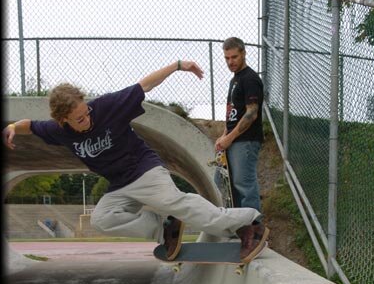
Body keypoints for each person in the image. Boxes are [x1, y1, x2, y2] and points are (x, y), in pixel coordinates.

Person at [3, 60, 269, 262]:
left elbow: (145, 85)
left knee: (176, 202)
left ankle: (247, 222)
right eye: (80, 119)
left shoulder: (107, 107)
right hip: (119, 185)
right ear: (64, 121)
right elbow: (32, 126)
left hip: (145, 171)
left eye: (86, 111)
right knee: (102, 219)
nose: (87, 119)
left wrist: (177, 66)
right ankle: (163, 227)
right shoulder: (58, 131)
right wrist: (15, 126)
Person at [215, 38, 264, 211]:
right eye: (227, 58)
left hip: (246, 140)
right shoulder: (234, 80)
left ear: (243, 53)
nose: (230, 62)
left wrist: (230, 137)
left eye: (234, 57)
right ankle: (237, 224)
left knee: (244, 183)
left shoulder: (250, 79)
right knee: (223, 181)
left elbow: (251, 114)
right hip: (233, 139)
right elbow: (233, 113)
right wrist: (223, 135)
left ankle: (254, 228)